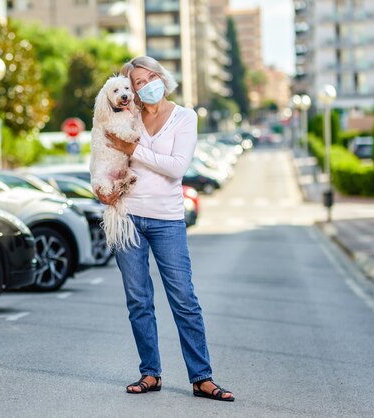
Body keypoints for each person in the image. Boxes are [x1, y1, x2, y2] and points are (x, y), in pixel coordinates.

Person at [95, 56, 235, 402]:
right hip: (127, 216)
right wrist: (100, 185)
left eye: (149, 78)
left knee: (184, 299)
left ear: (162, 77)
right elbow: (103, 155)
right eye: (137, 82)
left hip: (168, 219)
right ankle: (150, 373)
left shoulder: (185, 117)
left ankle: (202, 377)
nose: (143, 86)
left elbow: (176, 168)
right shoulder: (127, 115)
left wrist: (134, 149)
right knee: (138, 300)